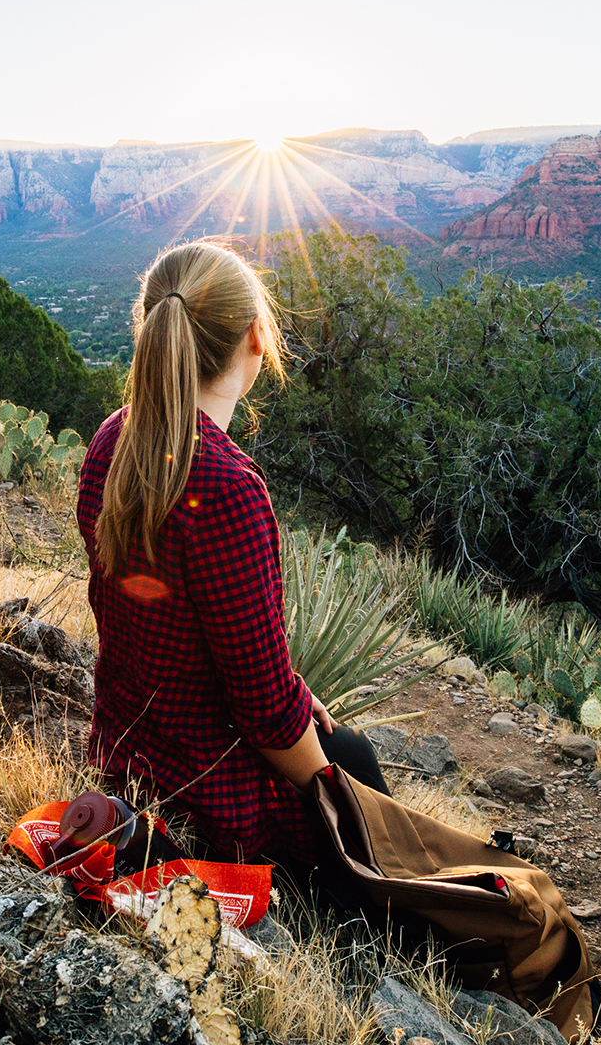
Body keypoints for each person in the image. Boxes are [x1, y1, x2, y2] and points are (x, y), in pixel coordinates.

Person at [76, 239, 390, 876]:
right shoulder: (227, 488)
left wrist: (294, 693)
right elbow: (265, 712)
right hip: (215, 799)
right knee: (355, 766)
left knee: (335, 741)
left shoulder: (113, 438)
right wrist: (340, 789)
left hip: (124, 755)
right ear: (254, 336)